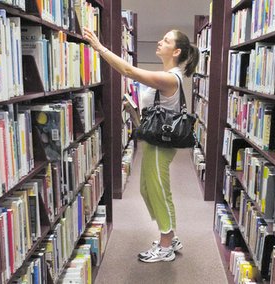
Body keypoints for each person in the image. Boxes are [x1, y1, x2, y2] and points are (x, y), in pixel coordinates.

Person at [83, 27, 199, 263]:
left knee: (156, 190)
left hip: (161, 146)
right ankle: (171, 236)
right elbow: (151, 117)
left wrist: (99, 47)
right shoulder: (166, 74)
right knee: (151, 190)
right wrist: (134, 113)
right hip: (154, 141)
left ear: (176, 51)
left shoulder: (169, 78)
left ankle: (166, 244)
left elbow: (127, 70)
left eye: (165, 40)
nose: (159, 41)